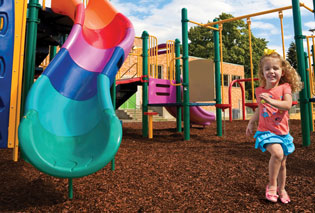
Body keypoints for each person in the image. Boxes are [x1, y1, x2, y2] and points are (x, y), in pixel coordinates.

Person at [246, 49, 303, 204]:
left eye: (275, 68)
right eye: (267, 69)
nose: (271, 71)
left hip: (282, 132)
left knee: (282, 162)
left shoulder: (285, 88)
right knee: (277, 154)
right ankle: (272, 186)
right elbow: (260, 108)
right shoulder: (260, 91)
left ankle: (282, 188)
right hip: (266, 131)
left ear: (282, 71)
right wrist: (252, 121)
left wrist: (270, 101)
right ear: (263, 72)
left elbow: (286, 105)